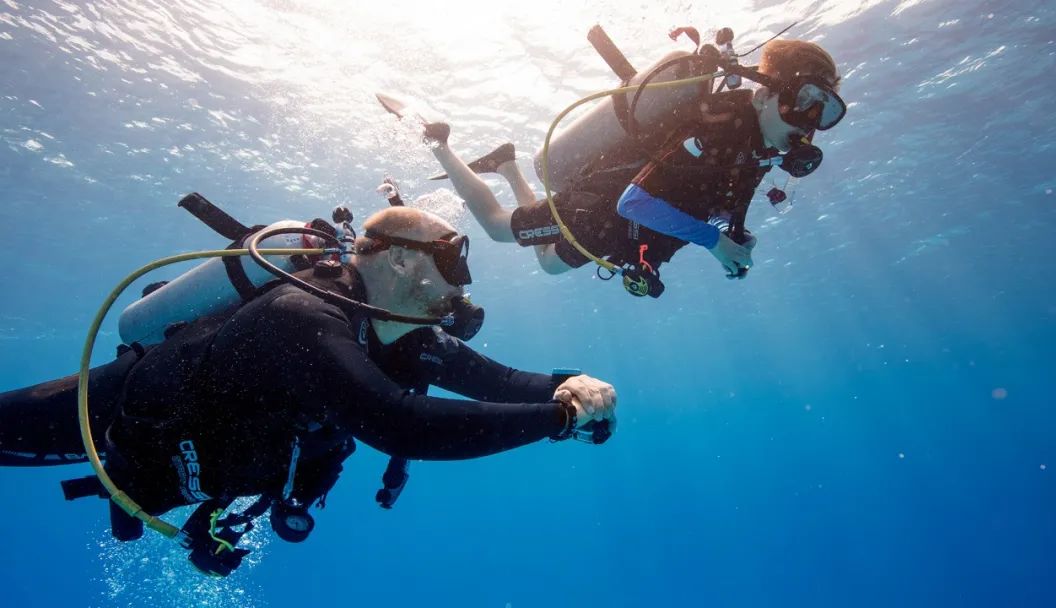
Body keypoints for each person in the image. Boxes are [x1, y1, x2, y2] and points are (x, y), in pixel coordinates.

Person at [0, 205, 617, 576]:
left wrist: (574, 386)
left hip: (202, 464)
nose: (465, 282)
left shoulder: (400, 333)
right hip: (114, 417)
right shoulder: (302, 315)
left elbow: (501, 380)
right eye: (454, 261)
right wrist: (555, 422)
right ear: (400, 261)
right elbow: (399, 423)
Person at [419, 38, 845, 294]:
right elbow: (632, 201)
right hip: (600, 208)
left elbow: (724, 205)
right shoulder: (721, 130)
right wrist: (713, 244)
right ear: (766, 94)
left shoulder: (759, 150)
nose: (810, 123)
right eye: (805, 100)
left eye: (825, 112)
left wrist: (736, 238)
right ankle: (439, 142)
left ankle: (507, 164)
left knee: (548, 264)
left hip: (624, 233)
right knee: (497, 228)